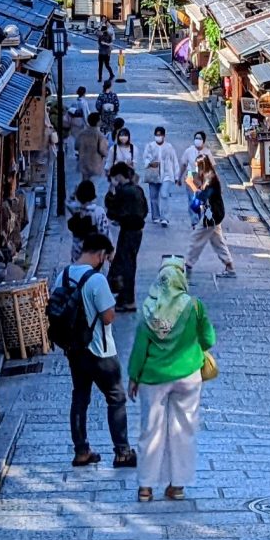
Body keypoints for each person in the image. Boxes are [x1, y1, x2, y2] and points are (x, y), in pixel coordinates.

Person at [129, 258, 216, 502]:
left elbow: (139, 348)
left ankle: (146, 487)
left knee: (151, 430)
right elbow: (208, 340)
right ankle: (177, 485)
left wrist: (133, 377)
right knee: (183, 430)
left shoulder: (149, 309)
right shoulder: (195, 307)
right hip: (188, 375)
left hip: (153, 378)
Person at [56, 222, 135, 469]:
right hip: (100, 350)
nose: (106, 262)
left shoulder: (64, 274)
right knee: (116, 397)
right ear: (100, 254)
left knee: (80, 397)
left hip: (73, 349)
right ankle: (122, 452)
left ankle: (81, 451)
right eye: (107, 258)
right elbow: (108, 316)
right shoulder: (97, 280)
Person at [104, 162, 150, 310]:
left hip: (128, 230)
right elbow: (145, 209)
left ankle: (127, 299)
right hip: (137, 230)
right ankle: (125, 298)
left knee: (126, 264)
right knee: (129, 263)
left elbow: (112, 211)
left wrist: (111, 192)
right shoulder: (137, 189)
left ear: (118, 176)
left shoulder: (123, 191)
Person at [184, 153, 235, 277]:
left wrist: (194, 188)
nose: (196, 169)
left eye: (197, 166)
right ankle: (229, 266)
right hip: (214, 214)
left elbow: (204, 196)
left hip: (211, 215)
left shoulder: (210, 179)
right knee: (217, 241)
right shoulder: (208, 177)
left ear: (202, 166)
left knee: (196, 237)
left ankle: (188, 264)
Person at [141, 125, 179, 222]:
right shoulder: (150, 146)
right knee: (153, 197)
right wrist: (149, 163)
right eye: (157, 135)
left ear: (164, 136)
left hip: (166, 174)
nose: (158, 136)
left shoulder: (169, 147)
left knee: (164, 194)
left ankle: (165, 218)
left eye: (160, 135)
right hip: (153, 174)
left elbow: (174, 160)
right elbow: (145, 158)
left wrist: (176, 175)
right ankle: (156, 216)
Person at [73, 109, 108, 185]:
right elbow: (102, 150)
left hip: (83, 159)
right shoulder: (99, 135)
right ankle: (81, 193)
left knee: (84, 179)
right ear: (98, 122)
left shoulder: (82, 133)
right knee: (92, 182)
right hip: (95, 161)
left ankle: (77, 193)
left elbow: (76, 146)